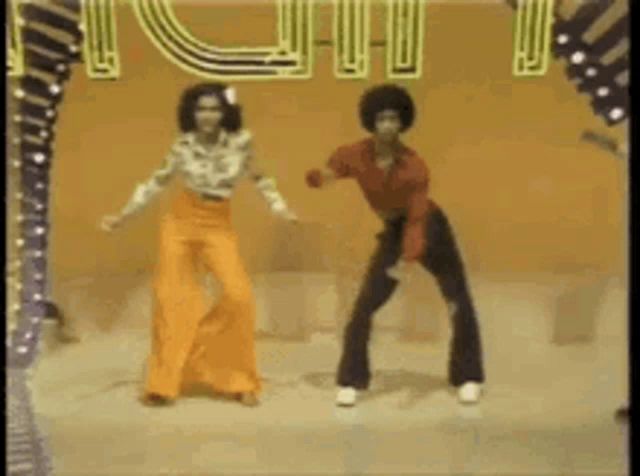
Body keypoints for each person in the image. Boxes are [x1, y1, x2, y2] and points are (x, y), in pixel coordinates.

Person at [101, 82, 297, 407]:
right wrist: (122, 216)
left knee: (239, 297)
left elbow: (261, 178)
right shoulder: (183, 146)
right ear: (191, 113)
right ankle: (162, 384)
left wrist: (280, 208)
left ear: (225, 113)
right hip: (180, 222)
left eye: (214, 108)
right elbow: (156, 182)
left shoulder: (241, 143)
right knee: (170, 299)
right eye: (201, 109)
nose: (207, 115)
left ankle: (238, 378)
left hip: (217, 223)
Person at [305, 84, 485, 407]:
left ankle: (468, 376)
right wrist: (320, 178)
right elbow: (335, 168)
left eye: (394, 119)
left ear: (402, 123)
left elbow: (417, 219)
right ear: (371, 121)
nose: (388, 125)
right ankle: (351, 381)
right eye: (382, 118)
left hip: (430, 227)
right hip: (394, 230)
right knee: (364, 306)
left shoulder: (414, 165)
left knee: (457, 298)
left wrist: (408, 259)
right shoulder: (356, 154)